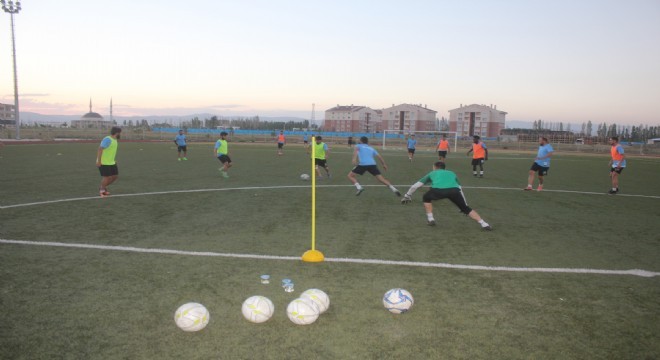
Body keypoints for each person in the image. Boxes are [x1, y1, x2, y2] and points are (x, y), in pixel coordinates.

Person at [401, 161, 491, 230]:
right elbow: (460, 188)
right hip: (454, 191)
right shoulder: (452, 173)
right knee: (466, 209)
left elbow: (415, 186)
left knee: (426, 197)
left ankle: (430, 219)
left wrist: (407, 195)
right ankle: (484, 223)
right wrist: (464, 204)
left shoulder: (432, 173)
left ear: (435, 167)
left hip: (438, 191)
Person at [96, 126, 122, 197]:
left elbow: (111, 151)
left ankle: (102, 187)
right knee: (107, 177)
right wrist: (99, 161)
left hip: (111, 162)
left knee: (115, 176)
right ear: (117, 133)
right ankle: (102, 190)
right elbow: (100, 149)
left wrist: (113, 160)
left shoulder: (115, 140)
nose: (120, 134)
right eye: (120, 133)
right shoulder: (108, 139)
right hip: (104, 162)